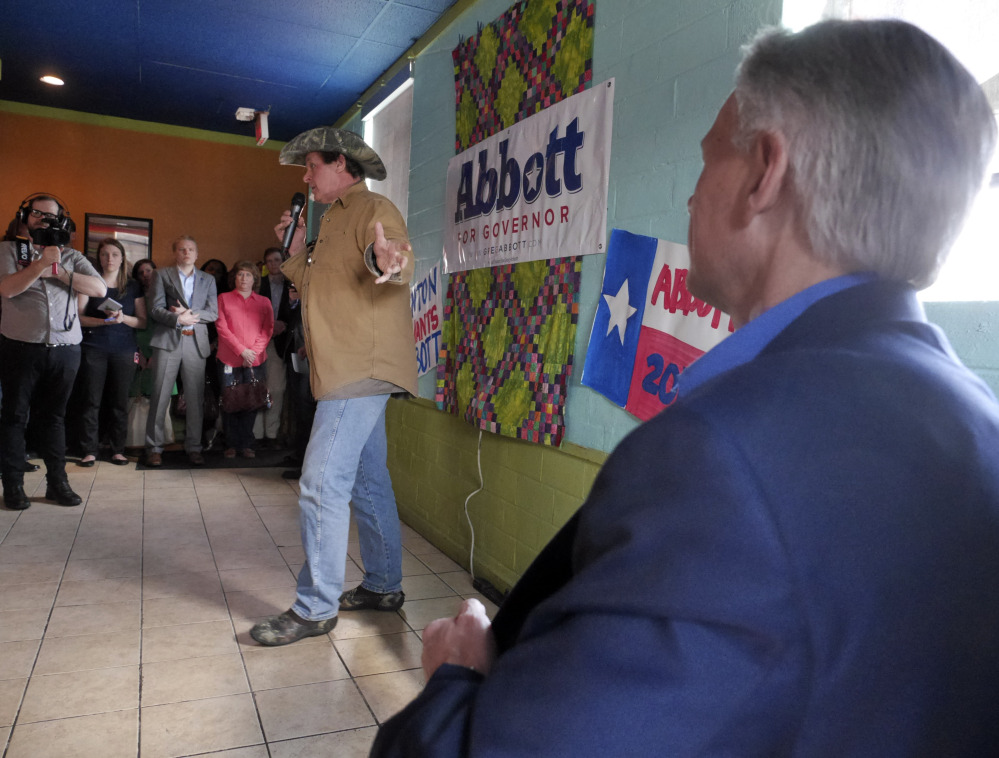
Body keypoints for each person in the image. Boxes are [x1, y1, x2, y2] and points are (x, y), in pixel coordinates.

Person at [372, 19, 999, 756]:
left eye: (704, 165)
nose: (691, 200)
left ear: (764, 172)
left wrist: (456, 681)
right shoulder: (974, 419)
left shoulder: (723, 457)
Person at [250, 128, 418, 646]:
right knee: (368, 481)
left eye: (312, 166)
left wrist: (385, 261)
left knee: (321, 485)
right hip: (345, 368)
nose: (306, 177)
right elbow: (317, 284)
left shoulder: (371, 207)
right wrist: (298, 250)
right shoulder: (328, 221)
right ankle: (384, 586)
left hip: (358, 368)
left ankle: (315, 608)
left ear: (341, 164)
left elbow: (389, 256)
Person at [0, 194, 107, 509]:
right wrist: (40, 264)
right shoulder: (7, 250)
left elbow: (100, 289)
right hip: (19, 347)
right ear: (25, 216)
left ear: (62, 219)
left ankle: (57, 484)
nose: (44, 219)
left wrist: (58, 270)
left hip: (65, 350)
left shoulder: (72, 256)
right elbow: (7, 288)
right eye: (37, 213)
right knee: (14, 417)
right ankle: (14, 487)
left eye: (51, 215)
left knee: (55, 419)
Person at [144, 236, 218, 467]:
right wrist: (176, 319)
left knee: (195, 398)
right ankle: (154, 448)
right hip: (168, 340)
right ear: (175, 253)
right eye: (182, 249)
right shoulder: (162, 274)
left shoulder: (208, 279)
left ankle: (194, 447)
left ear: (197, 254)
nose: (187, 253)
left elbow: (213, 312)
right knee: (160, 395)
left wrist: (188, 315)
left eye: (191, 249)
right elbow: (154, 308)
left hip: (196, 343)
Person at [75, 238, 146, 466]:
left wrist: (123, 318)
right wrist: (102, 322)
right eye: (105, 254)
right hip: (93, 347)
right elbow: (79, 318)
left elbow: (143, 322)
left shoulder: (133, 286)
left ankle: (117, 449)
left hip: (124, 349)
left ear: (122, 258)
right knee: (90, 400)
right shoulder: (89, 282)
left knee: (118, 401)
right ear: (99, 258)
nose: (109, 259)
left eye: (114, 254)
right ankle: (89, 450)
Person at [215, 260, 273, 458]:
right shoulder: (223, 298)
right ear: (234, 277)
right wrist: (242, 351)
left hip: (256, 361)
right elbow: (222, 328)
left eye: (248, 275)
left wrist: (253, 353)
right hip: (229, 359)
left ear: (255, 279)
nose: (244, 278)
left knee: (251, 401)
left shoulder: (264, 302)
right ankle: (231, 444)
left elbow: (267, 330)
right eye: (240, 274)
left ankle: (246, 443)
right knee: (230, 401)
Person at [254, 246, 294, 447]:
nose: (273, 264)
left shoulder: (291, 284)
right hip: (257, 342)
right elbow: (250, 314)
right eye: (269, 261)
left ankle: (271, 434)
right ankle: (256, 434)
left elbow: (296, 314)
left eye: (277, 260)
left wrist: (283, 326)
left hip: (282, 343)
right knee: (257, 387)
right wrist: (270, 326)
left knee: (277, 389)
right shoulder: (258, 285)